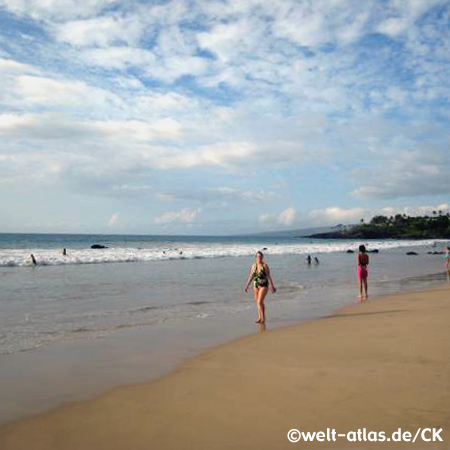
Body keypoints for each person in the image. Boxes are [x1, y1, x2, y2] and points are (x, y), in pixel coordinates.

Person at [245, 251, 276, 324]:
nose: (259, 258)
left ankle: (263, 318)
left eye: (261, 256)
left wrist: (272, 286)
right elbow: (251, 276)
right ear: (256, 257)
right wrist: (247, 285)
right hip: (256, 286)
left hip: (264, 285)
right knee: (258, 302)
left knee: (260, 302)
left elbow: (268, 276)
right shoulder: (254, 266)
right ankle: (260, 317)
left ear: (262, 257)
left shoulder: (265, 266)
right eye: (258, 256)